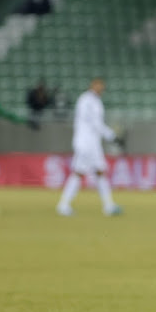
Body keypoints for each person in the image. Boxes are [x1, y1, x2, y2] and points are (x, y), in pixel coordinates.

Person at [56, 79, 122, 216]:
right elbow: (95, 123)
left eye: (102, 86)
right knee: (80, 172)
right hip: (85, 143)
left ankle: (108, 206)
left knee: (99, 172)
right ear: (92, 85)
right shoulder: (87, 100)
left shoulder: (94, 101)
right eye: (98, 85)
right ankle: (63, 205)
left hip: (92, 144)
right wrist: (111, 135)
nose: (100, 88)